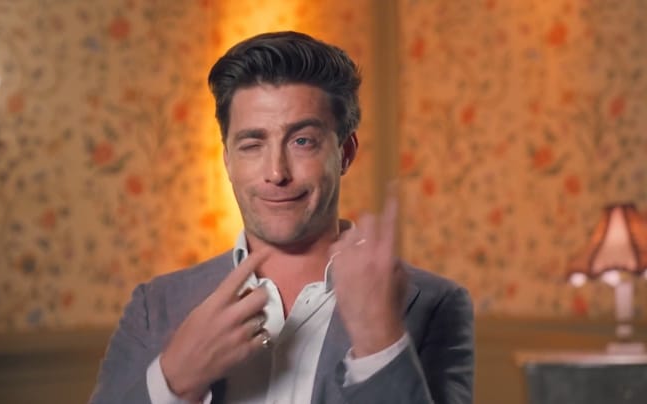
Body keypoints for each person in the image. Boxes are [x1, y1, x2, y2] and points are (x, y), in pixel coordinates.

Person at [90, 31, 473, 404]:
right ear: (228, 160)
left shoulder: (436, 304)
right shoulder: (154, 305)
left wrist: (379, 342)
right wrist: (174, 378)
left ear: (345, 152)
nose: (276, 172)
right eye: (252, 144)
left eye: (302, 141)